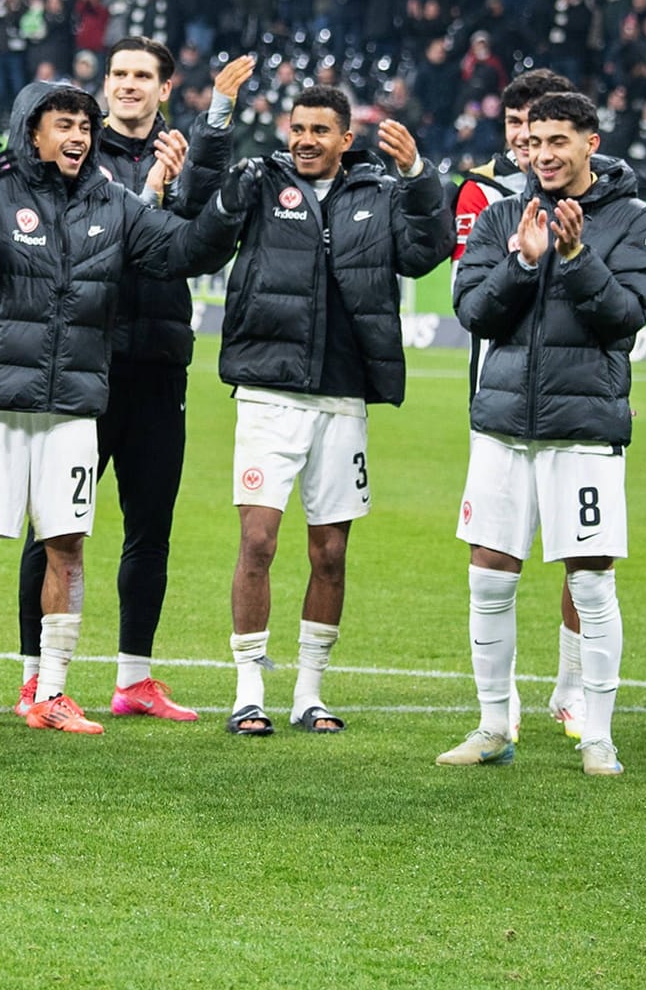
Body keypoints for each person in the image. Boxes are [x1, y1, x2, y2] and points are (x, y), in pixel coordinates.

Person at [0, 81, 219, 736]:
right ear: (33, 132)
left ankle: (51, 694)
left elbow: (182, 252)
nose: (79, 136)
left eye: (85, 125)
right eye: (64, 125)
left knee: (67, 545)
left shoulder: (115, 205)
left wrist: (226, 203)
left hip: (73, 406)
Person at [193, 86, 452, 737]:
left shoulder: (381, 193)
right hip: (267, 391)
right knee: (258, 540)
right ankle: (248, 688)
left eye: (319, 130)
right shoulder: (260, 184)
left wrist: (419, 174)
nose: (305, 139)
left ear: (344, 140)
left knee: (329, 552)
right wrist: (217, 135)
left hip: (342, 398)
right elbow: (201, 230)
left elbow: (427, 251)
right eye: (297, 128)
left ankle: (310, 691)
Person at [13, 40, 253, 722]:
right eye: (117, 73)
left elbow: (203, 232)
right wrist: (151, 191)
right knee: (56, 527)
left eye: (141, 76)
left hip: (160, 361)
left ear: (163, 88)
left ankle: (134, 678)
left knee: (150, 526)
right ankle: (34, 676)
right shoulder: (78, 154)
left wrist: (203, 148)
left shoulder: (181, 153)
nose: (126, 85)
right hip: (87, 361)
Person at [443, 91, 646, 776]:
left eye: (557, 140)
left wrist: (573, 256)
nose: (542, 153)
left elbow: (625, 317)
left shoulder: (633, 220)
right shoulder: (502, 216)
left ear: (590, 143)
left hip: (583, 430)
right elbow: (474, 311)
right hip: (504, 427)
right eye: (533, 141)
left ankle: (597, 733)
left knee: (592, 582)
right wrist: (524, 263)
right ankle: (492, 725)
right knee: (488, 579)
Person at [452, 67, 585, 740]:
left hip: (573, 399)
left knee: (580, 555)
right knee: (493, 554)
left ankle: (569, 688)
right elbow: (470, 298)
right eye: (514, 129)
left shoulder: (602, 195)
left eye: (538, 130)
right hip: (497, 396)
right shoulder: (482, 192)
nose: (527, 144)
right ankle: (494, 720)